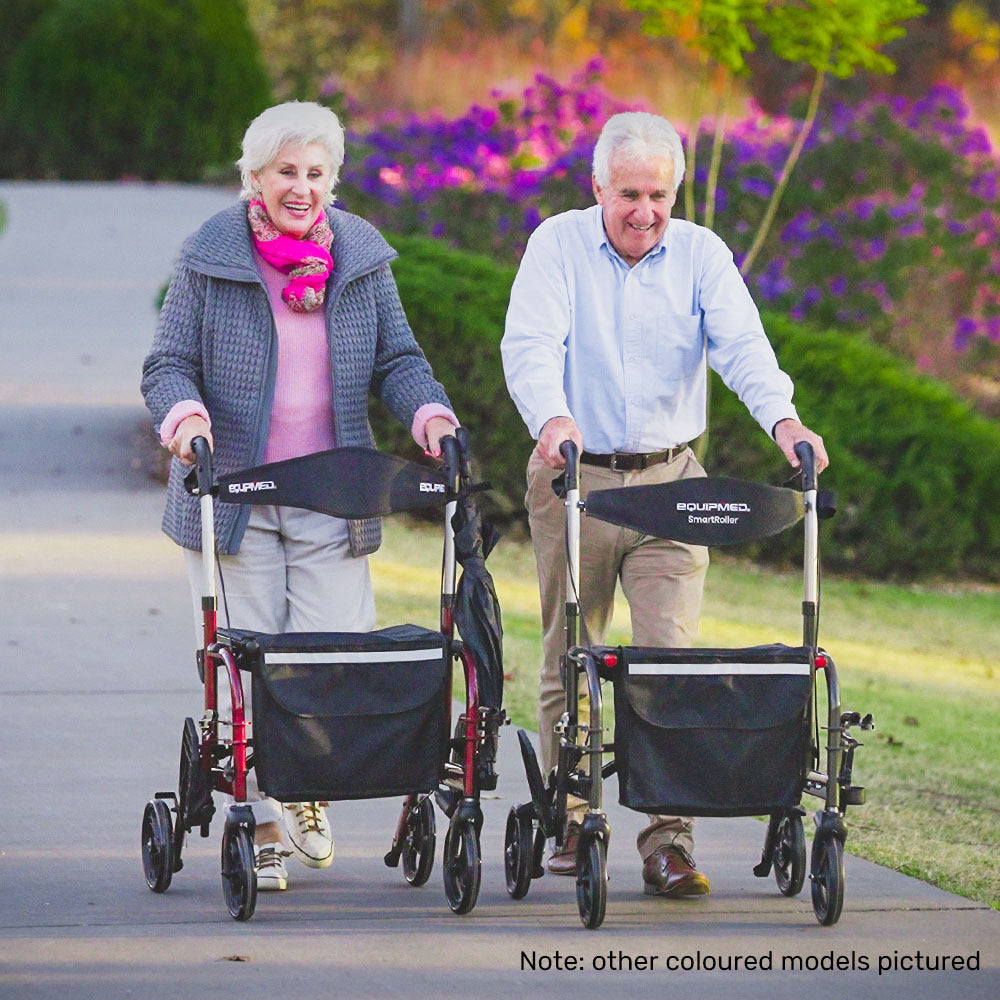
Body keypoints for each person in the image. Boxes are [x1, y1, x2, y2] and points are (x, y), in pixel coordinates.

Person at [500, 111, 828, 898]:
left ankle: (666, 841)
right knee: (569, 657)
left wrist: (782, 418)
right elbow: (530, 345)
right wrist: (552, 418)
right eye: (628, 195)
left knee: (669, 664)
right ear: (598, 188)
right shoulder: (558, 245)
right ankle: (575, 817)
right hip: (572, 475)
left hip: (673, 484)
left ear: (675, 193)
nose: (644, 211)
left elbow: (744, 347)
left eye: (658, 195)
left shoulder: (702, 256)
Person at [142, 101, 459, 891]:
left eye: (316, 173)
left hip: (331, 495)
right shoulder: (211, 257)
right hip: (237, 493)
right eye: (287, 171)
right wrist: (186, 419)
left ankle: (307, 792)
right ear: (255, 176)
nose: (302, 187)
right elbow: (168, 363)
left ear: (333, 182)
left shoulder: (359, 258)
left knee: (328, 659)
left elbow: (398, 358)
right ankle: (266, 822)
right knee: (252, 663)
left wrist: (429, 412)